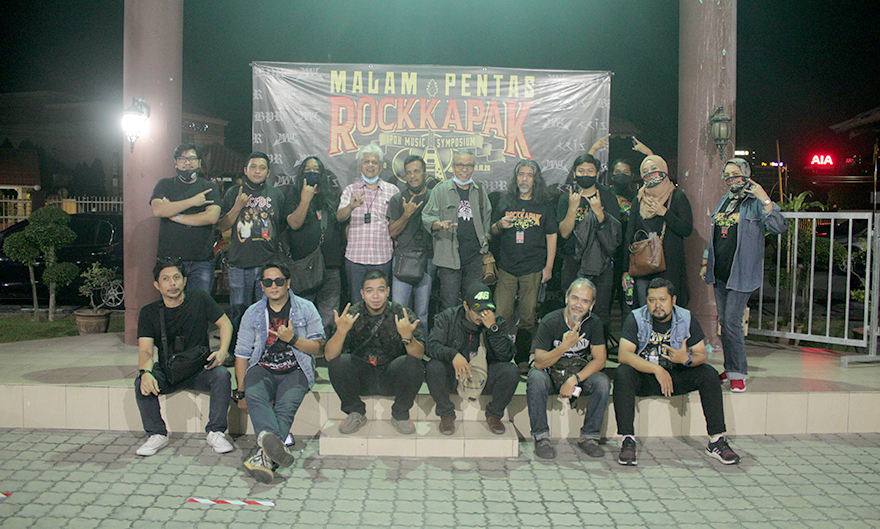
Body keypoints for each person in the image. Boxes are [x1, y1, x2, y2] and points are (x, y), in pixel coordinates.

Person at [614, 278, 740, 465]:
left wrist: (685, 359)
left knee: (709, 374)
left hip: (677, 375)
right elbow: (624, 354)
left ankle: (716, 440)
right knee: (623, 373)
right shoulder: (636, 318)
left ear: (673, 300)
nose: (657, 305)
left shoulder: (686, 318)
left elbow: (701, 355)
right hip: (647, 376)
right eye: (652, 300)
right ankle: (627, 440)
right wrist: (656, 369)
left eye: (662, 300)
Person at [233, 261, 325, 483]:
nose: (273, 286)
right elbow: (242, 353)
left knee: (285, 409)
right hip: (262, 368)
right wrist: (241, 392)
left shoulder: (306, 308)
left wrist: (292, 339)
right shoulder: (252, 313)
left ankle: (263, 456)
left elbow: (319, 348)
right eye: (268, 282)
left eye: (278, 281)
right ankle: (269, 450)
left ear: (288, 283)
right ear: (262, 286)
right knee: (255, 394)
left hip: (296, 370)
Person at [701, 158, 787, 392]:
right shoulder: (725, 201)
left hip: (742, 273)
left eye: (736, 174)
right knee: (725, 323)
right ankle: (730, 368)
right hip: (720, 273)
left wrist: (764, 198)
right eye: (727, 175)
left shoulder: (755, 202)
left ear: (747, 174)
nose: (731, 179)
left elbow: (779, 227)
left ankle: (738, 373)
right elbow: (716, 236)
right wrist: (706, 261)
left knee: (732, 322)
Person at [134, 258, 234, 457]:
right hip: (169, 371)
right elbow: (145, 350)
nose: (172, 283)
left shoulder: (199, 298)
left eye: (176, 277)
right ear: (157, 285)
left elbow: (225, 324)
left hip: (200, 369)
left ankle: (215, 432)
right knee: (141, 383)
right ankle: (157, 434)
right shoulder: (149, 313)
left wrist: (222, 352)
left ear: (185, 280)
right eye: (166, 279)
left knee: (222, 375)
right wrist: (145, 372)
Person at [324, 270, 425, 435]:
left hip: (392, 376)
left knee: (413, 364)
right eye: (370, 291)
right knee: (338, 363)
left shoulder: (401, 313)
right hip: (362, 377)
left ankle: (400, 414)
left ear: (388, 292)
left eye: (381, 290)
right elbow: (329, 356)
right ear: (362, 294)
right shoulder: (352, 314)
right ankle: (355, 412)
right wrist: (341, 332)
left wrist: (408, 337)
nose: (376, 296)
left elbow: (419, 355)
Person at [527, 278, 610, 460]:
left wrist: (574, 380)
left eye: (585, 301)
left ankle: (589, 437)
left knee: (602, 382)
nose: (578, 305)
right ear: (566, 298)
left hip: (577, 376)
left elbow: (600, 360)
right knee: (535, 377)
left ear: (592, 305)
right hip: (552, 374)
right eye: (575, 298)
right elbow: (539, 362)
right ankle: (541, 438)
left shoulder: (594, 323)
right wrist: (564, 347)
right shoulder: (550, 321)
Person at [425, 283, 518, 435]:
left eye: (487, 310)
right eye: (478, 310)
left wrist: (493, 330)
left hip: (483, 375)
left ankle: (494, 415)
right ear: (466, 306)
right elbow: (432, 346)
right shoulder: (448, 317)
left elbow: (506, 355)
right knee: (433, 366)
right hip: (455, 374)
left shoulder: (496, 322)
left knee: (511, 371)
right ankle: (446, 414)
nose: (483, 315)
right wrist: (453, 355)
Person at [490, 159, 557, 362]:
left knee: (528, 317)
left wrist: (549, 267)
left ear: (536, 179)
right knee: (500, 315)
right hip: (507, 267)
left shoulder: (544, 204)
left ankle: (521, 359)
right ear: (515, 177)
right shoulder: (505, 201)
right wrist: (499, 225)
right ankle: (499, 357)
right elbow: (492, 231)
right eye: (521, 174)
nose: (524, 179)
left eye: (529, 175)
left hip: (533, 267)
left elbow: (551, 235)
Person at [218, 152, 286, 335]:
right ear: (245, 170)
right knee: (239, 311)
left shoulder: (276, 194)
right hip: (240, 264)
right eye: (253, 167)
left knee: (267, 311)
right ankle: (238, 347)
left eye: (262, 168)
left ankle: (264, 347)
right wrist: (237, 207)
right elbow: (222, 226)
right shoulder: (234, 193)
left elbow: (281, 227)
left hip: (268, 264)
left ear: (268, 172)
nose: (257, 171)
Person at [422, 149, 492, 311]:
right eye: (460, 165)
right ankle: (450, 329)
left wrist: (485, 240)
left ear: (473, 168)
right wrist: (438, 224)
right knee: (449, 304)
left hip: (474, 258)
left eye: (469, 165)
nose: (464, 169)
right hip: (449, 258)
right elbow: (427, 216)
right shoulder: (441, 190)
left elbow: (487, 218)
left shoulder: (479, 190)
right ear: (453, 167)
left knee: (474, 305)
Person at [557, 153, 622, 327]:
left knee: (600, 311)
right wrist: (572, 209)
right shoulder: (567, 196)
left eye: (590, 171)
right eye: (581, 171)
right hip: (573, 262)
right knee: (573, 309)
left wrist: (599, 212)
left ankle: (599, 343)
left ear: (597, 174)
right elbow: (564, 233)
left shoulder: (607, 195)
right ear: (574, 173)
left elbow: (614, 233)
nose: (585, 175)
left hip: (601, 264)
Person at [149, 143, 221, 294]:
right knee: (171, 302)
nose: (187, 162)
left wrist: (175, 216)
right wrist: (192, 202)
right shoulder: (165, 185)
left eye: (192, 158)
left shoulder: (209, 187)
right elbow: (158, 210)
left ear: (199, 162)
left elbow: (211, 217)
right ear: (175, 162)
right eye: (182, 158)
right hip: (170, 260)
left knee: (199, 303)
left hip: (201, 260)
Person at [623, 155, 693, 307]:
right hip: (643, 265)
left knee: (667, 308)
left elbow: (686, 229)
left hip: (669, 265)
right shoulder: (639, 199)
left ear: (664, 170)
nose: (650, 173)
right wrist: (626, 270)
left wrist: (665, 213)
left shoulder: (677, 197)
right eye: (645, 171)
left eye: (654, 169)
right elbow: (630, 234)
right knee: (644, 308)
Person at [284, 156, 345, 329]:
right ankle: (302, 344)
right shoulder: (293, 195)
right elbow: (294, 224)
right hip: (303, 266)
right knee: (301, 315)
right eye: (308, 169)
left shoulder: (331, 195)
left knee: (329, 315)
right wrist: (305, 199)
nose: (312, 172)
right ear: (301, 173)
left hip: (331, 265)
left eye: (316, 170)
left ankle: (326, 344)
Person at [337, 144, 398, 305]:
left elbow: (396, 225)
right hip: (355, 258)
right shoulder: (350, 190)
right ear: (360, 166)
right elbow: (340, 217)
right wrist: (351, 207)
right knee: (358, 304)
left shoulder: (392, 191)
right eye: (366, 162)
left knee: (380, 303)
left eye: (374, 162)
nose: (370, 165)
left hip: (382, 258)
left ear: (381, 167)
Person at [387, 155, 434, 338]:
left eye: (416, 171)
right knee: (399, 312)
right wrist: (406, 215)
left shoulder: (434, 197)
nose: (413, 176)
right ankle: (398, 349)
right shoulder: (397, 199)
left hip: (428, 260)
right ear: (404, 176)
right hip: (403, 260)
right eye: (409, 173)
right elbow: (392, 232)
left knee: (422, 314)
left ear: (425, 174)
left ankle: (422, 349)